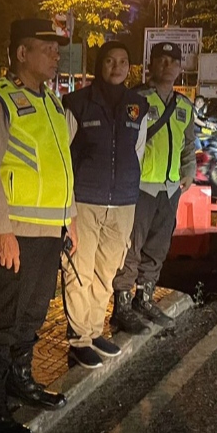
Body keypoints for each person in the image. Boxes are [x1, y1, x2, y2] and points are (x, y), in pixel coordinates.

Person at [0, 18, 77, 433]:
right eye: (46, 48)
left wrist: (67, 221)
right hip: (14, 233)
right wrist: (1, 230)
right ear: (21, 54)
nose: (56, 55)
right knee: (1, 319)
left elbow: (60, 168)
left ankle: (20, 380)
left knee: (31, 313)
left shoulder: (51, 104)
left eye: (57, 49)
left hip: (48, 231)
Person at [62, 40, 150, 367]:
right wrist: (67, 203)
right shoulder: (77, 103)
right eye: (110, 61)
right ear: (101, 65)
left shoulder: (137, 106)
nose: (116, 67)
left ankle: (96, 330)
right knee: (78, 271)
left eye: (123, 62)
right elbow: (63, 155)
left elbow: (136, 153)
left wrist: (130, 191)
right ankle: (79, 339)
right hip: (85, 199)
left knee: (107, 272)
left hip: (124, 202)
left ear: (130, 67)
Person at [111, 42, 196, 332]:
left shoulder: (184, 106)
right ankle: (121, 306)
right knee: (131, 248)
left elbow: (189, 145)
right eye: (162, 60)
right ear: (151, 65)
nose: (168, 65)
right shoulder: (136, 99)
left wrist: (189, 171)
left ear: (180, 68)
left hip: (170, 189)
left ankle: (143, 299)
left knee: (157, 248)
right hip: (140, 188)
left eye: (174, 61)